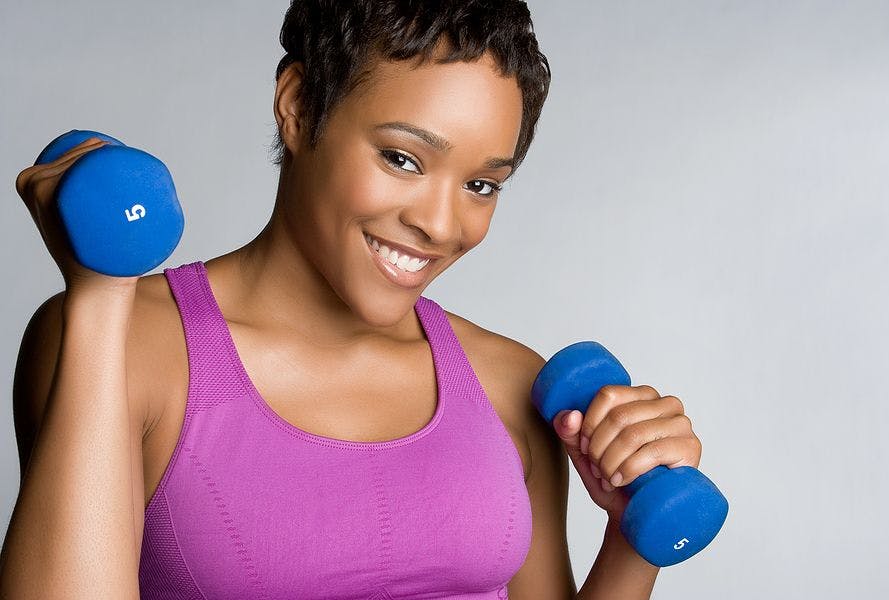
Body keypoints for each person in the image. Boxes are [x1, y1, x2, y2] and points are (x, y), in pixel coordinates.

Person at [2, 1, 703, 598]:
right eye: (402, 158)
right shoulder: (128, 343)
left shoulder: (511, 384)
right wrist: (99, 297)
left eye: (481, 185)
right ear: (299, 107)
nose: (441, 224)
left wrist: (633, 536)